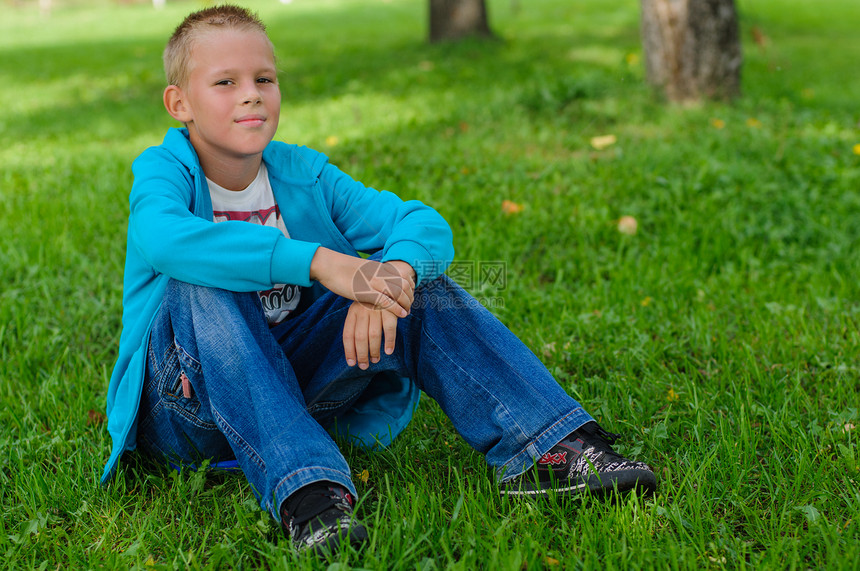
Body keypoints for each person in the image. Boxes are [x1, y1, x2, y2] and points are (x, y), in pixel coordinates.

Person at [101, 4, 657, 555]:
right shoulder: (163, 171)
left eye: (263, 79)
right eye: (225, 81)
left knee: (421, 283)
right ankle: (310, 498)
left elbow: (421, 222)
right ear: (180, 104)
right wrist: (323, 263)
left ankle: (553, 450)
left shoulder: (304, 173)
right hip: (187, 405)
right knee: (199, 280)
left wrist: (388, 279)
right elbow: (166, 239)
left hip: (293, 385)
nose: (251, 94)